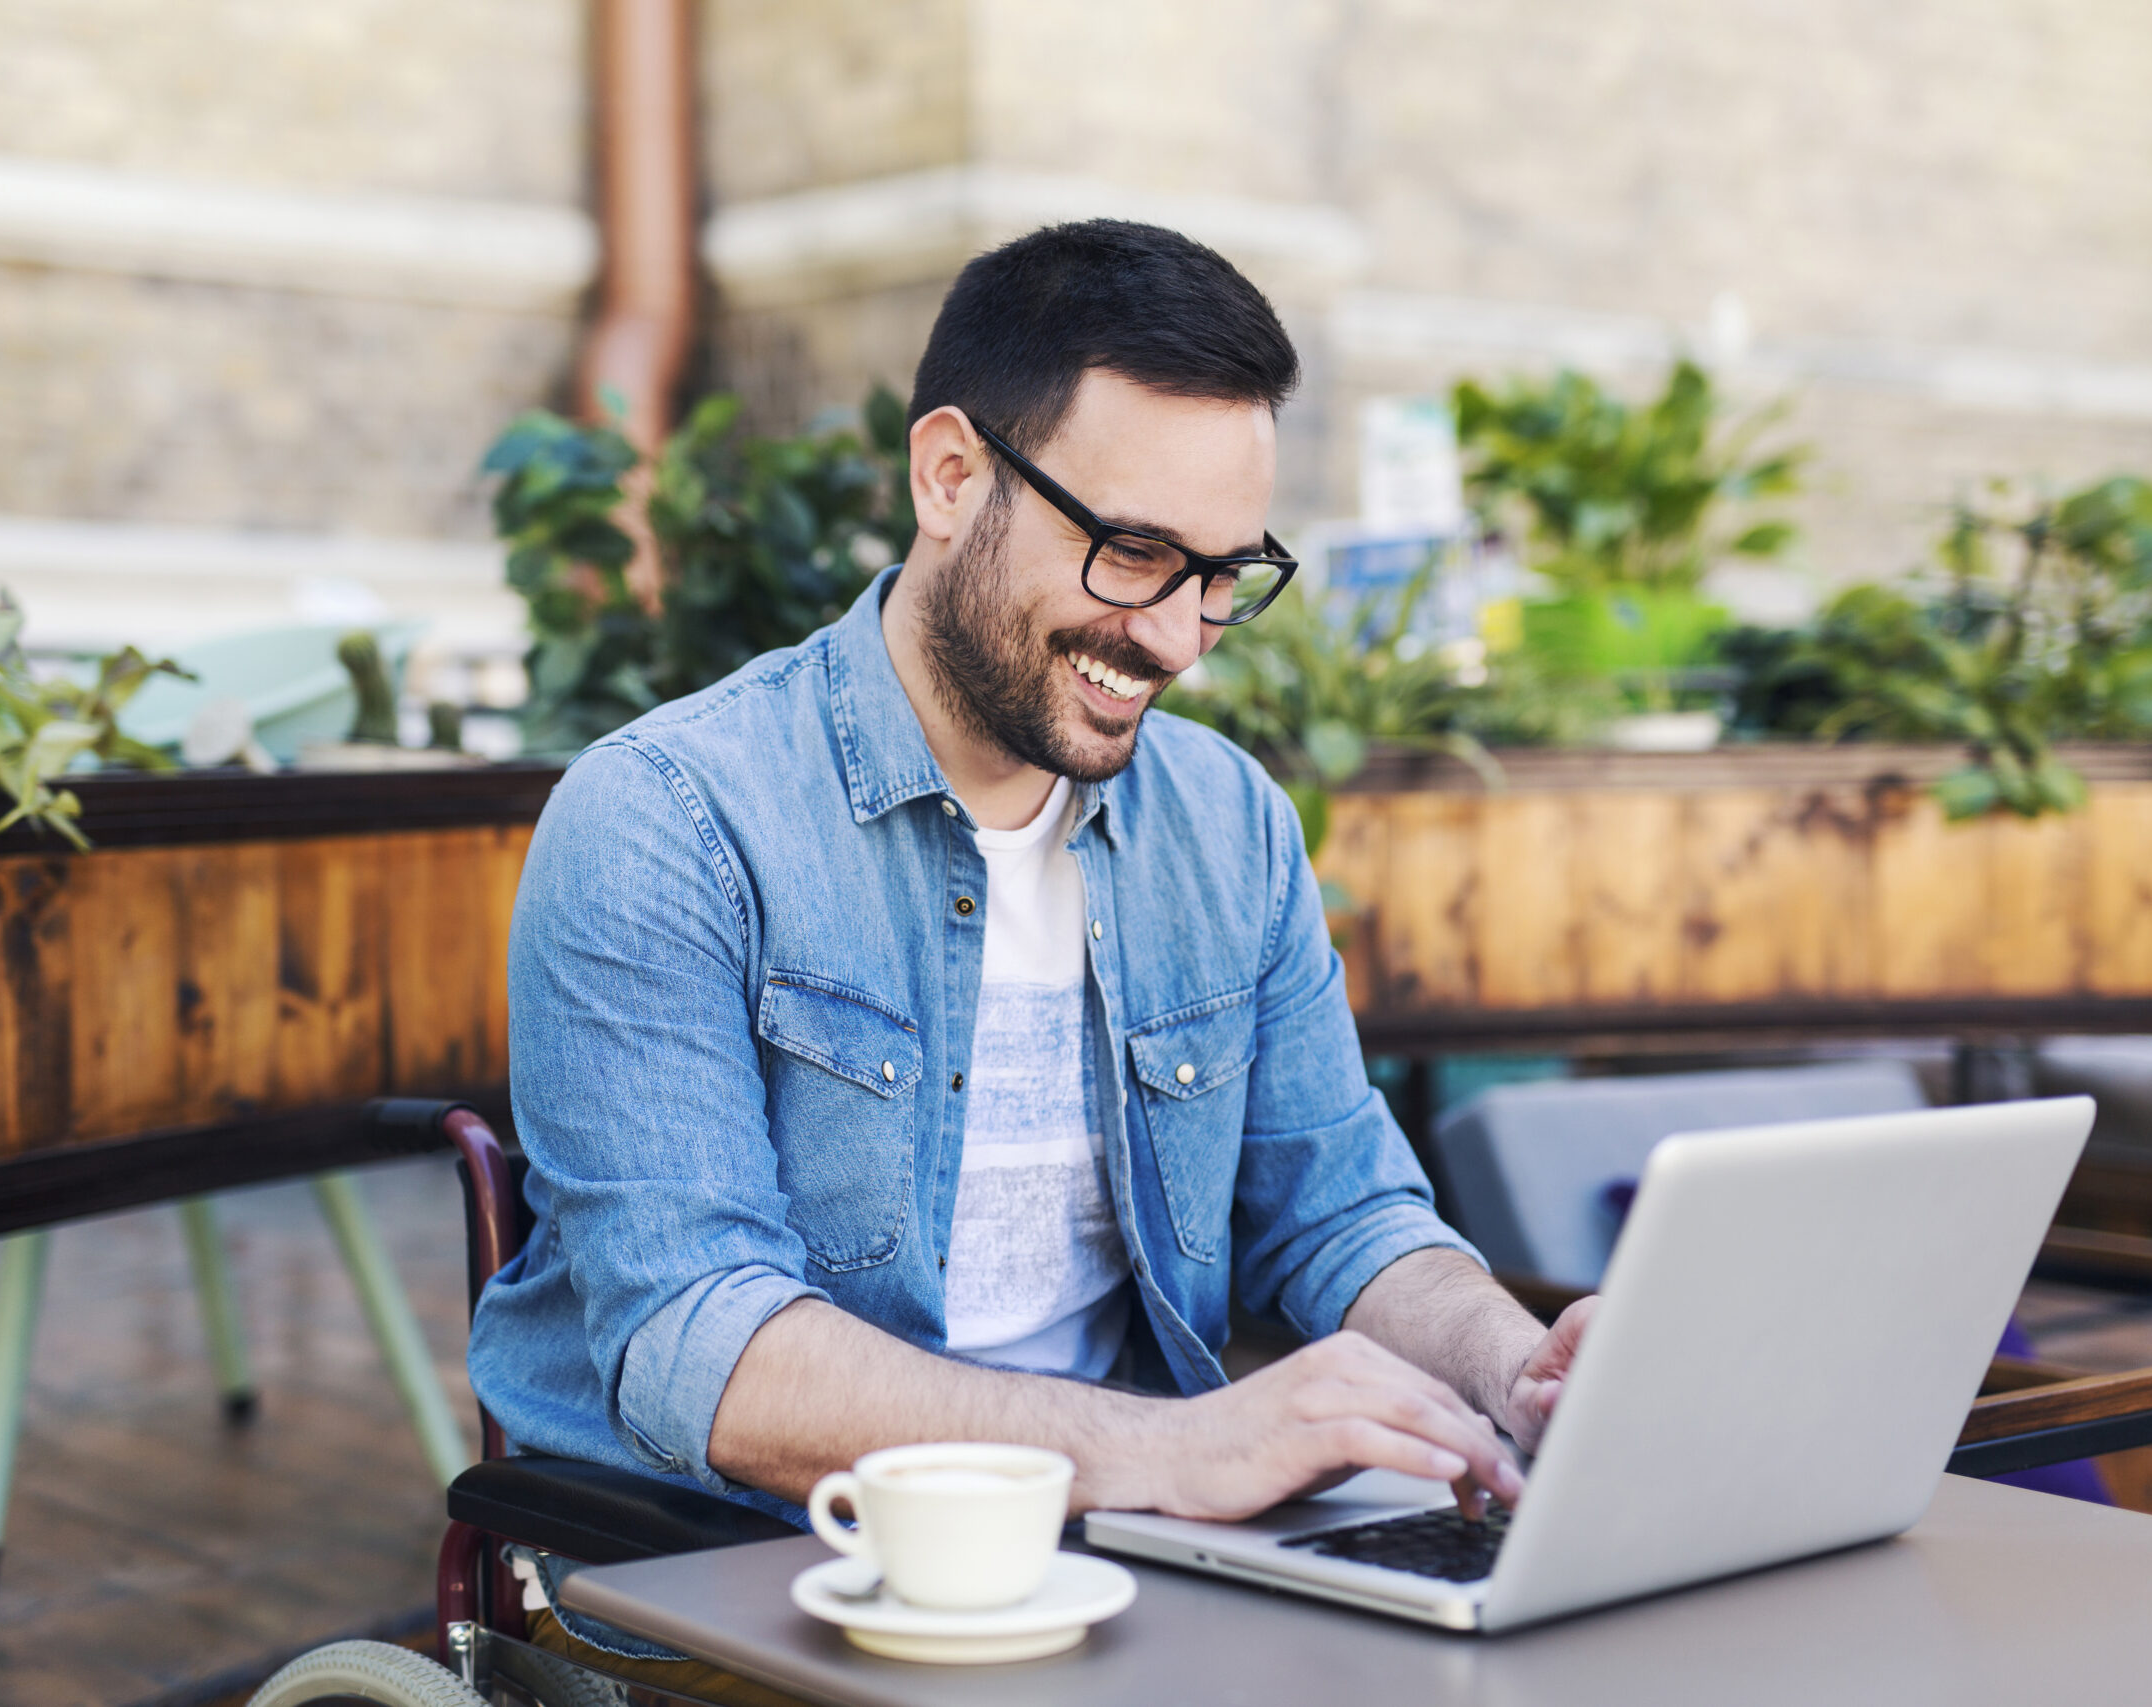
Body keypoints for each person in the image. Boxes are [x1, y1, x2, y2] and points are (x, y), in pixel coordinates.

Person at [471, 218, 1593, 1680]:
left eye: (1223, 574)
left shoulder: (1228, 823)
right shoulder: (667, 820)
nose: (1183, 641)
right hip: (740, 1562)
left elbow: (1341, 1214)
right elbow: (706, 1348)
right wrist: (1174, 1453)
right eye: (1134, 555)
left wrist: (1519, 1367)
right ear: (950, 476)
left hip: (1115, 1555)